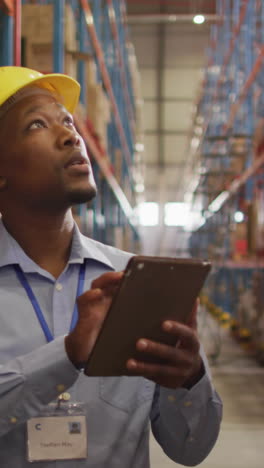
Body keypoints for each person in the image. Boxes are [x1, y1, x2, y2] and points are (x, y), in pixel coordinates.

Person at [0, 66, 222, 467]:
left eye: (67, 121)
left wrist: (188, 381)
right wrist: (65, 356)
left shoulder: (128, 282)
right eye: (37, 124)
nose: (71, 135)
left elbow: (193, 448)